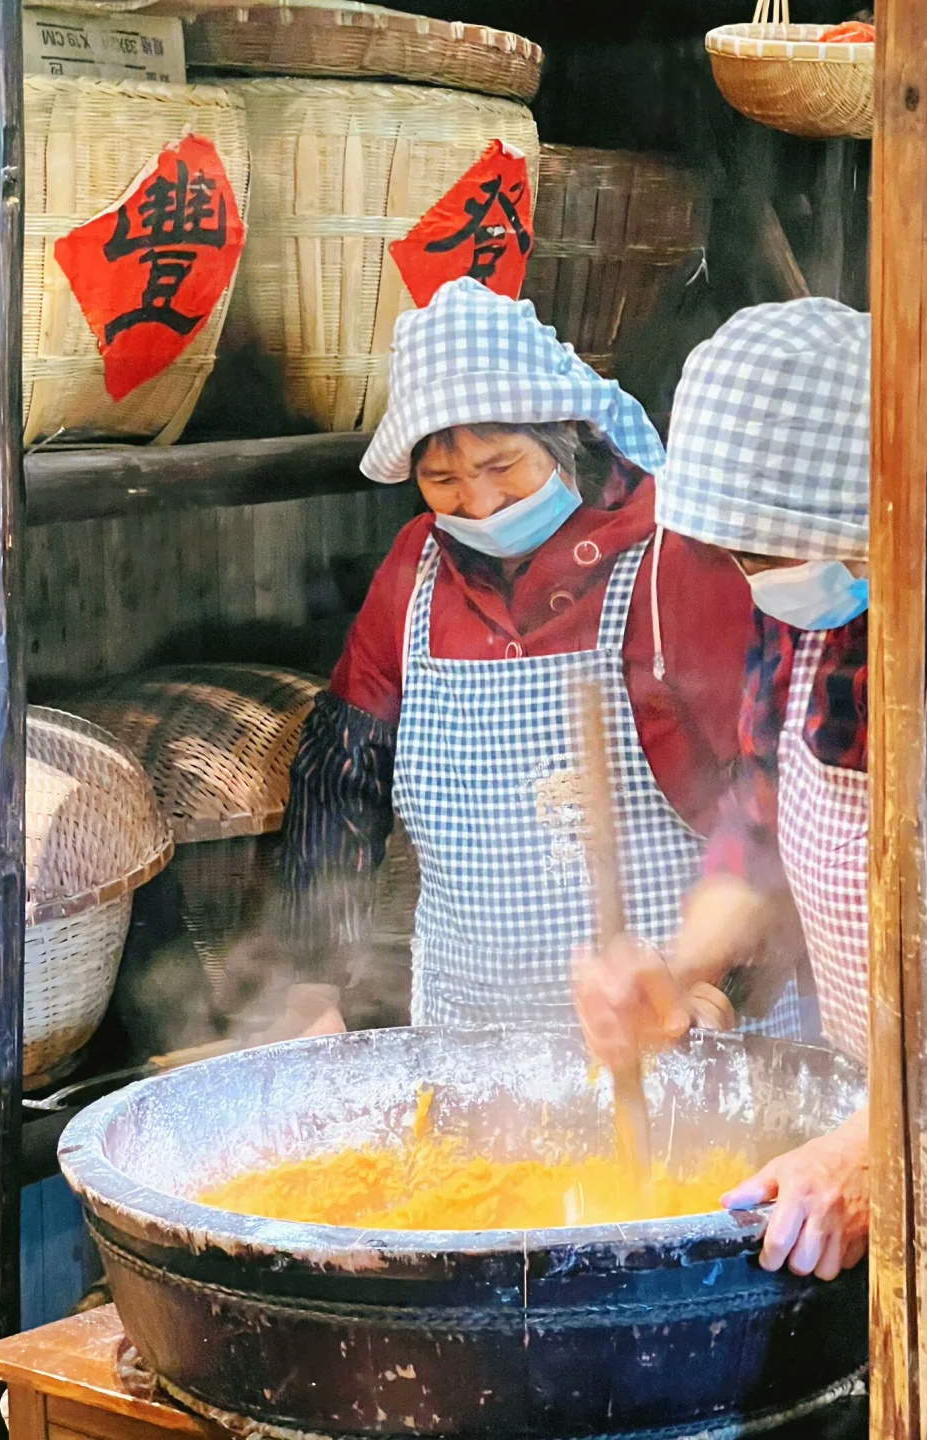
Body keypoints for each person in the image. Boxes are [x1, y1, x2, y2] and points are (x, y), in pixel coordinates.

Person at [279, 277, 801, 1033]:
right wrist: (311, 981)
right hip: (473, 1036)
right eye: (443, 480)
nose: (479, 504)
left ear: (565, 441)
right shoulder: (415, 571)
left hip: (674, 1032)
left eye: (501, 468)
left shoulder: (672, 559)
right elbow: (341, 771)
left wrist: (719, 988)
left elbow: (770, 795)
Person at [576, 297, 871, 1284]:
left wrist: (882, 1148)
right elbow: (761, 829)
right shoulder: (813, 621)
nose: (757, 581)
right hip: (892, 1113)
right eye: (740, 554)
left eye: (772, 552)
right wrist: (677, 964)